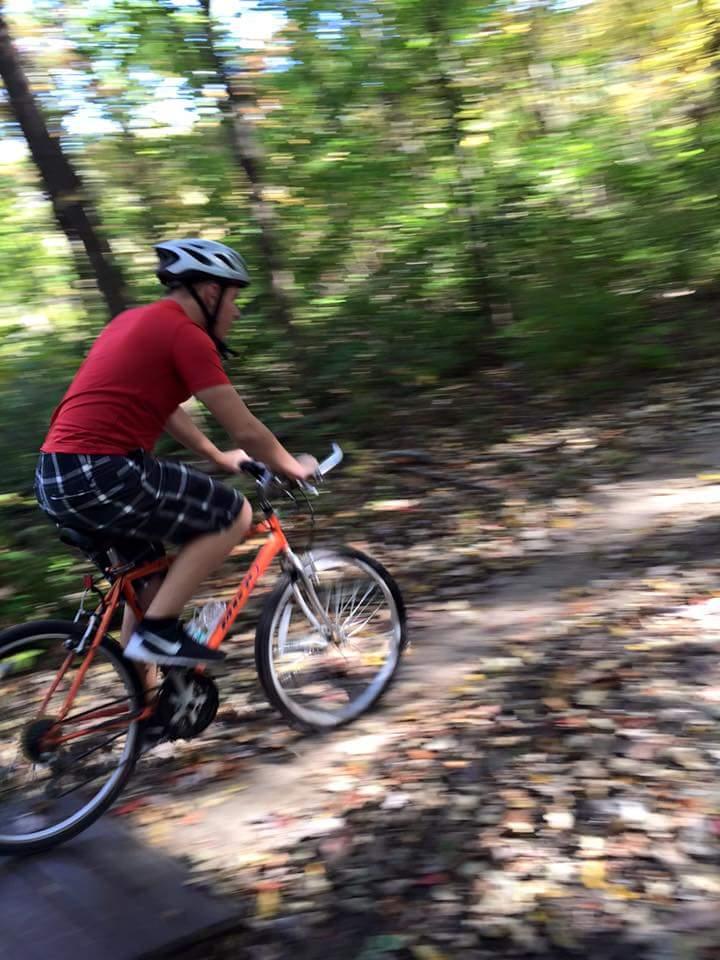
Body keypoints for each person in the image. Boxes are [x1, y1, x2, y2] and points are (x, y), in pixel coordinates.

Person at [34, 238, 317, 679]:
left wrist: (218, 456)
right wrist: (292, 465)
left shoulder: (132, 322)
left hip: (57, 475)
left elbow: (162, 407)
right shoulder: (185, 334)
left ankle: (142, 718)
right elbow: (244, 428)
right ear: (210, 293)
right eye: (234, 298)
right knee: (231, 512)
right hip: (103, 470)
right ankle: (162, 630)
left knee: (147, 585)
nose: (236, 311)